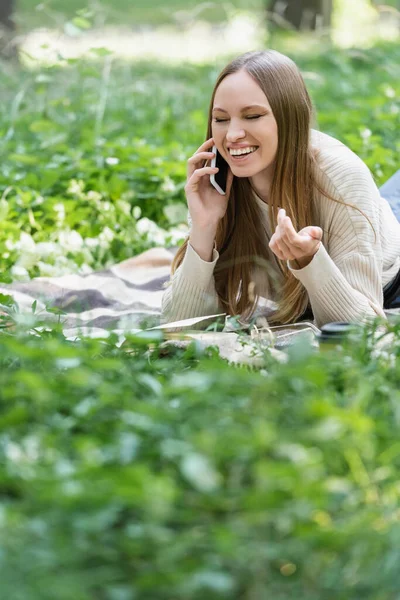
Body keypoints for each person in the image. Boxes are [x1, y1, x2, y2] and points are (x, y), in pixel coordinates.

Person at [161, 49, 400, 330]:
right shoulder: (218, 183)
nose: (233, 135)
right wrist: (204, 226)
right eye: (222, 119)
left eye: (252, 116)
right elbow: (177, 328)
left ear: (289, 118)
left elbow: (366, 330)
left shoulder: (341, 175)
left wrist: (309, 261)